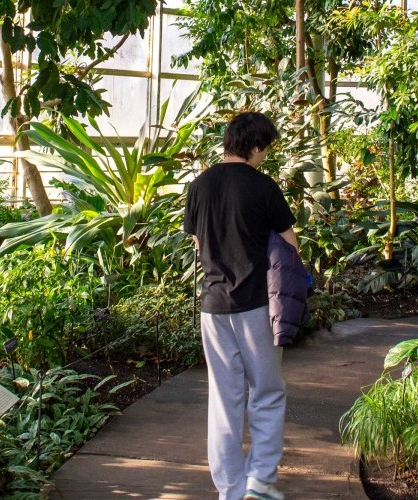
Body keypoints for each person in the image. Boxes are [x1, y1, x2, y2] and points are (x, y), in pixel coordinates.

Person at [183, 111, 296, 500]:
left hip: (212, 307)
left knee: (224, 398)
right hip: (256, 306)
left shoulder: (199, 186)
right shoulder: (264, 188)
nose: (266, 155)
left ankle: (229, 490)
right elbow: (290, 246)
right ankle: (259, 482)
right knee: (266, 391)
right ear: (256, 145)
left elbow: (198, 244)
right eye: (266, 148)